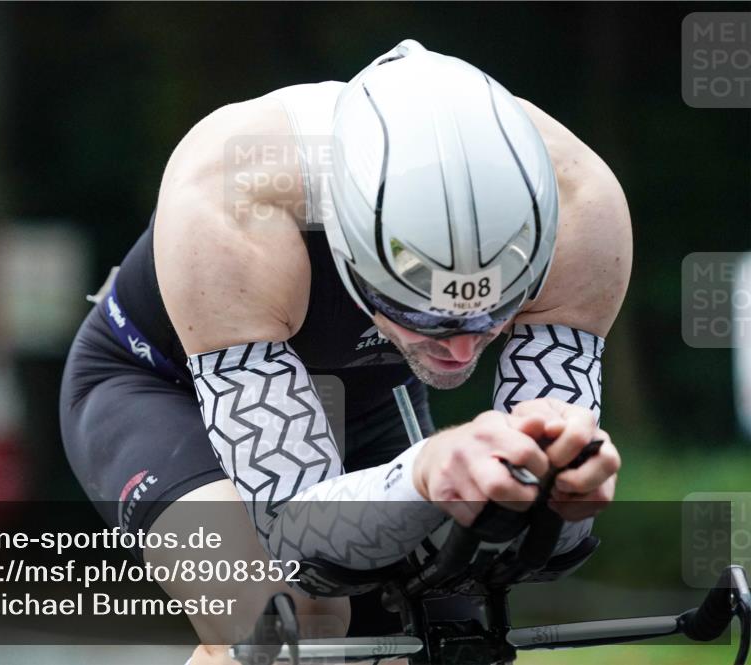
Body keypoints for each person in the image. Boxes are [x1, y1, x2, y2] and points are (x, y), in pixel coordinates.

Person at [60, 39, 631, 664]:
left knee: (452, 628)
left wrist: (557, 485)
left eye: (496, 312)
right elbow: (297, 543)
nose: (463, 348)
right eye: (425, 315)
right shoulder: (233, 192)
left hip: (369, 391)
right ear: (348, 250)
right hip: (163, 389)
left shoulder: (581, 202)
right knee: (295, 625)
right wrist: (424, 474)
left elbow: (540, 533)